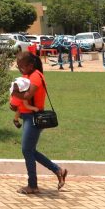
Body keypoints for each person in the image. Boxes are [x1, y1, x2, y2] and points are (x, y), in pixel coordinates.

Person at [10, 51, 68, 195]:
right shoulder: (28, 75)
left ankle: (33, 185)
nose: (20, 69)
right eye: (18, 66)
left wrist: (13, 93)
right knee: (30, 151)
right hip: (27, 116)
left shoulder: (36, 76)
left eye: (22, 66)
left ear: (30, 65)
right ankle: (58, 170)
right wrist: (15, 105)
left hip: (33, 118)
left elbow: (27, 95)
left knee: (26, 150)